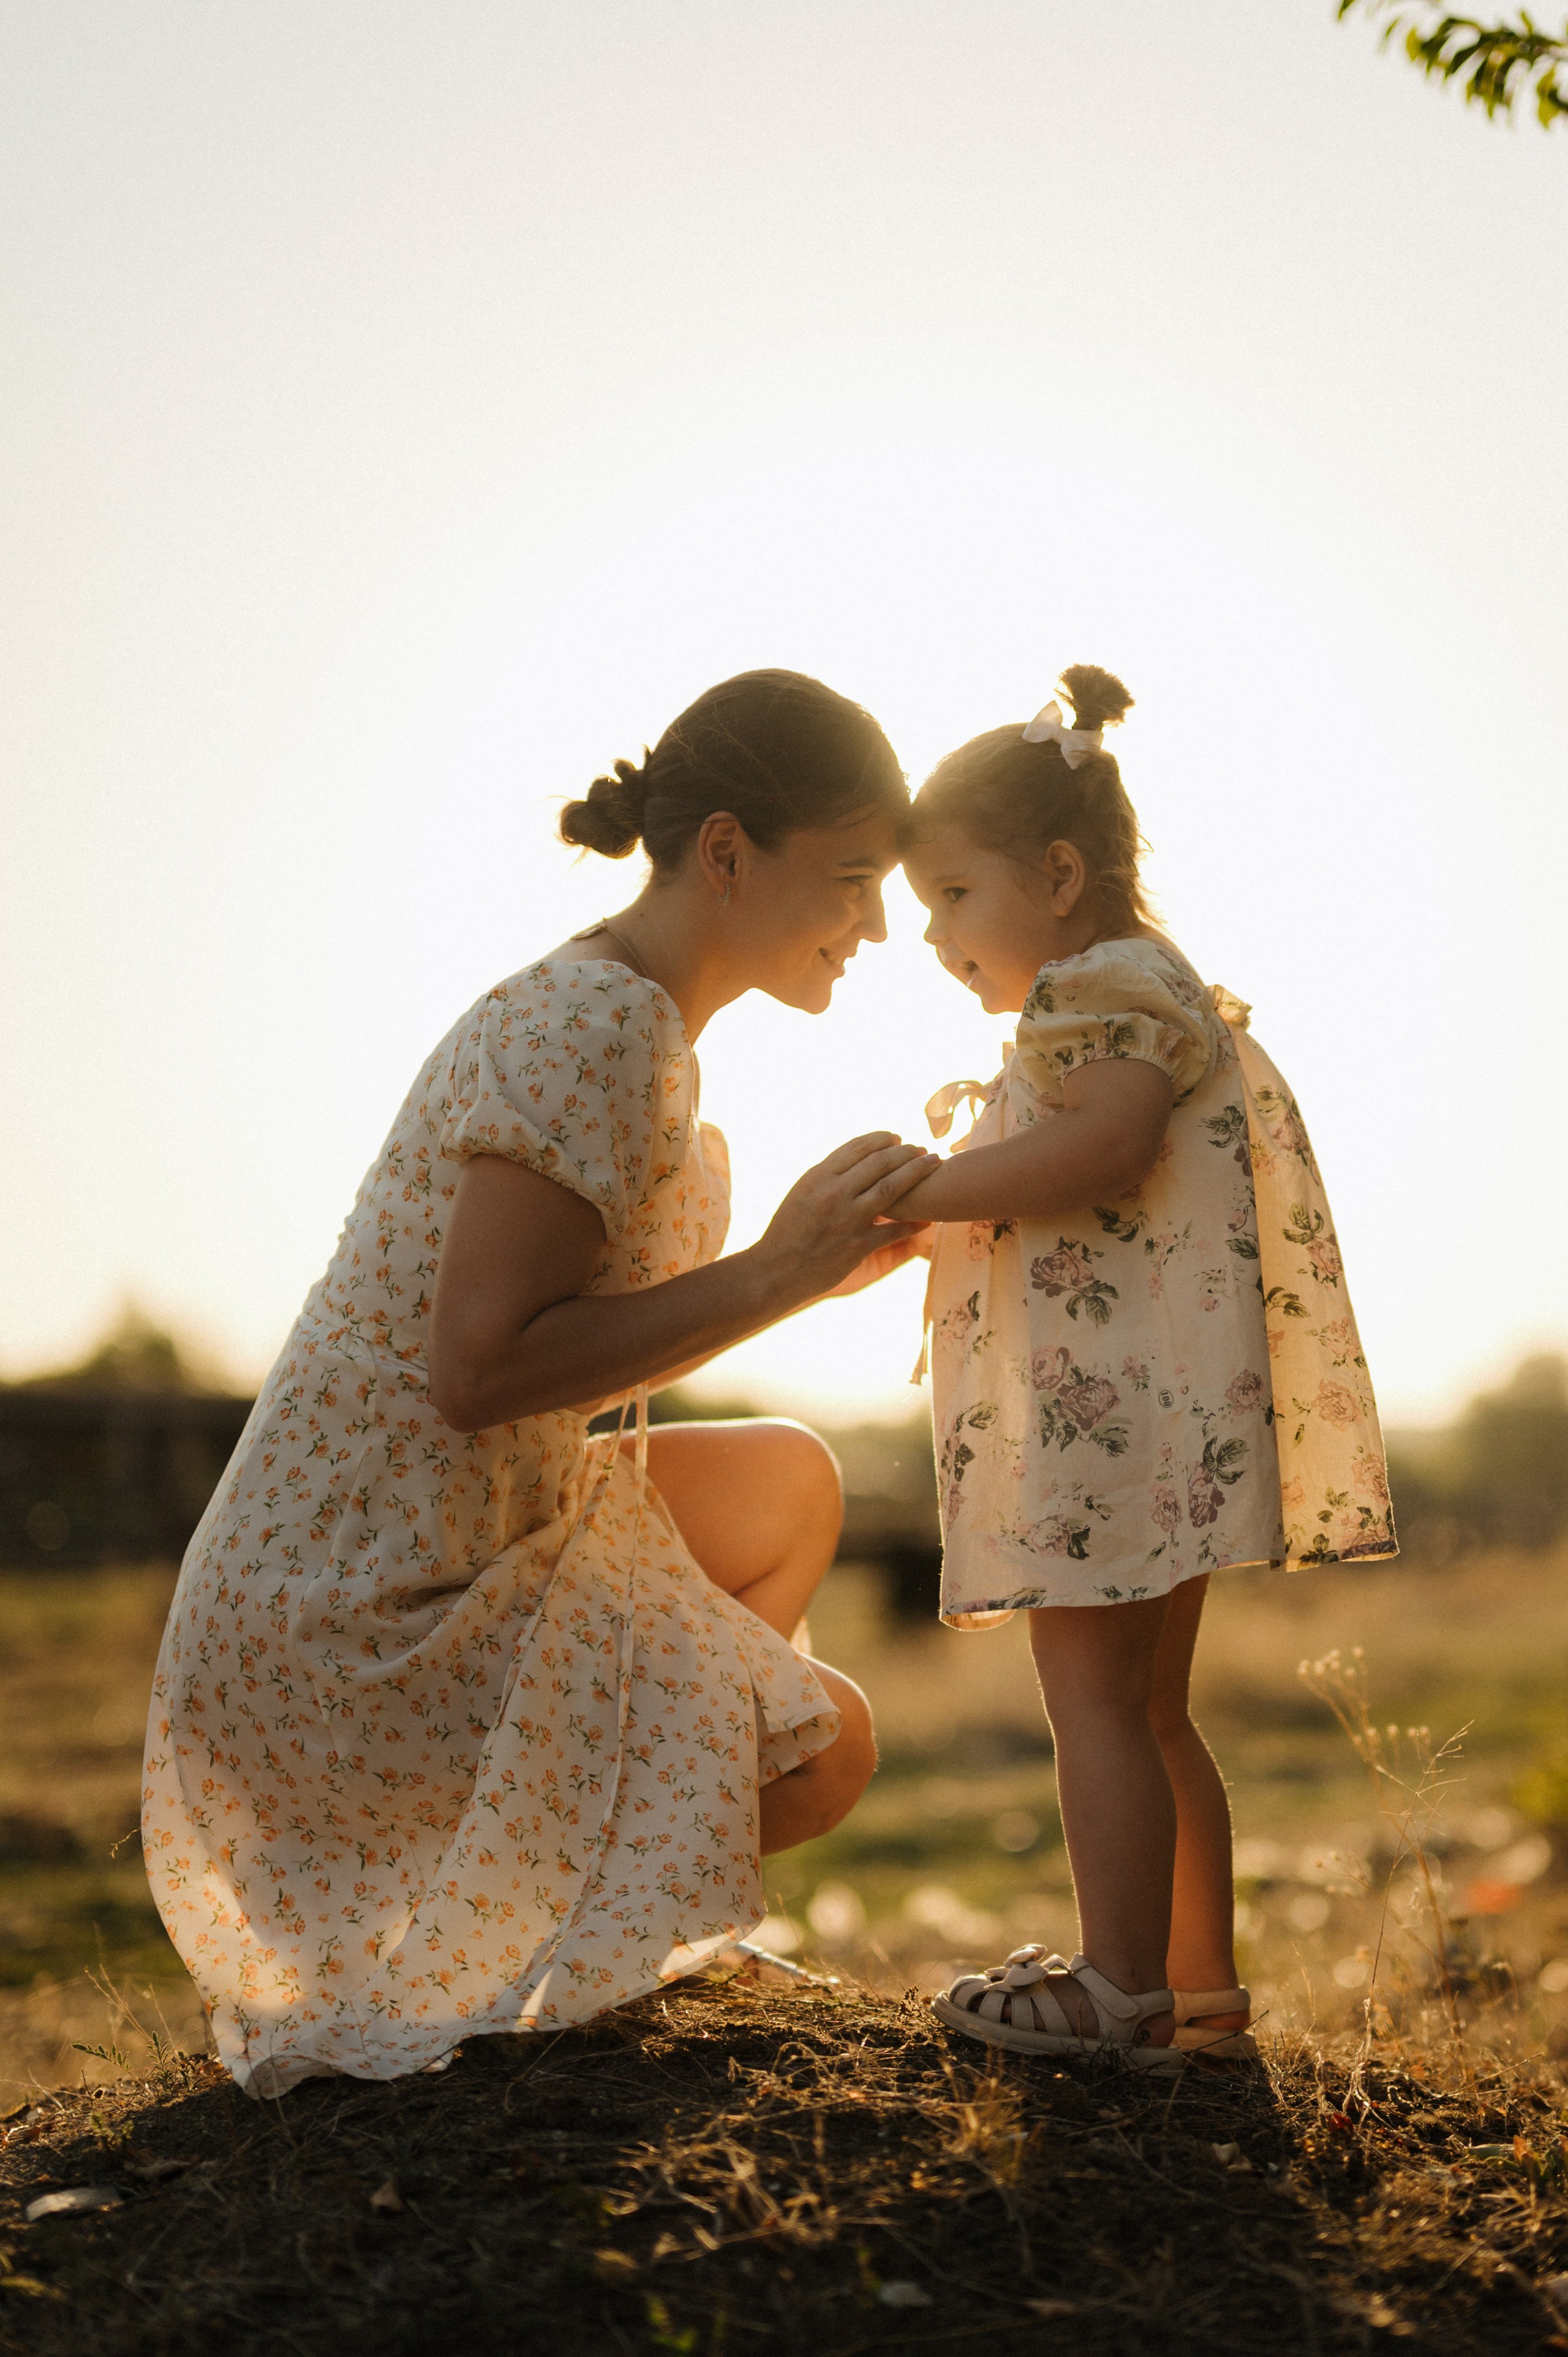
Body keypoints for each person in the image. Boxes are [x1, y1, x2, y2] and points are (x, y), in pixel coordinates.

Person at [142, 668, 937, 2097]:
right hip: (354, 1611)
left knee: (787, 1482)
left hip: (456, 1531)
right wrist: (772, 1268)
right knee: (827, 1747)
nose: (875, 924)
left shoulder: (631, 1017)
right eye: (851, 878)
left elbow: (553, 1354)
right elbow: (481, 1369)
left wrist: (811, 1278)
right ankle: (588, 1926)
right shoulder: (597, 1024)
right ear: (725, 852)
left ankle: (617, 1914)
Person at [895, 665, 1395, 2070]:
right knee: (1148, 1708)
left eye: (952, 893)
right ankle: (1194, 1994)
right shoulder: (1134, 988)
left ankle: (1114, 1985)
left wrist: (928, 1188)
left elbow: (1104, 1149)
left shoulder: (1097, 988)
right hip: (1156, 1415)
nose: (931, 932)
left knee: (1093, 1706)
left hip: (1102, 1425)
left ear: (1058, 875)